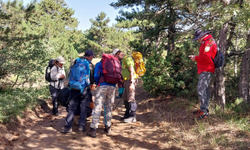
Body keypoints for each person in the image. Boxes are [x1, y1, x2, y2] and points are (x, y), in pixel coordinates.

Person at [87, 48, 124, 138]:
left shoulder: (99, 64)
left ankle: (93, 129)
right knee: (109, 107)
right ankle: (108, 127)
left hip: (102, 86)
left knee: (98, 107)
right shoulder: (115, 63)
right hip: (112, 86)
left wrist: (97, 83)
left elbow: (96, 75)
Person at [61, 50, 95, 134]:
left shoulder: (75, 61)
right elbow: (92, 79)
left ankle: (68, 127)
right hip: (84, 89)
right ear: (90, 56)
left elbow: (69, 74)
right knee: (83, 107)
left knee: (71, 107)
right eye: (92, 57)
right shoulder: (90, 65)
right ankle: (81, 127)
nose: (92, 58)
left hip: (74, 88)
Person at [189, 29, 217, 119]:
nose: (197, 40)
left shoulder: (209, 42)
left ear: (202, 36)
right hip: (204, 68)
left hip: (207, 69)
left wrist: (195, 58)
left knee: (201, 90)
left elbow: (206, 57)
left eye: (198, 38)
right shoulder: (206, 41)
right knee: (204, 90)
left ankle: (204, 112)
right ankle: (203, 109)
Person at [121, 51, 138, 123]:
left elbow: (132, 71)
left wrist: (131, 83)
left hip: (130, 80)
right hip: (126, 80)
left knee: (131, 98)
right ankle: (127, 113)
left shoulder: (127, 59)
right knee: (125, 97)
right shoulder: (124, 60)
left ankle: (132, 116)